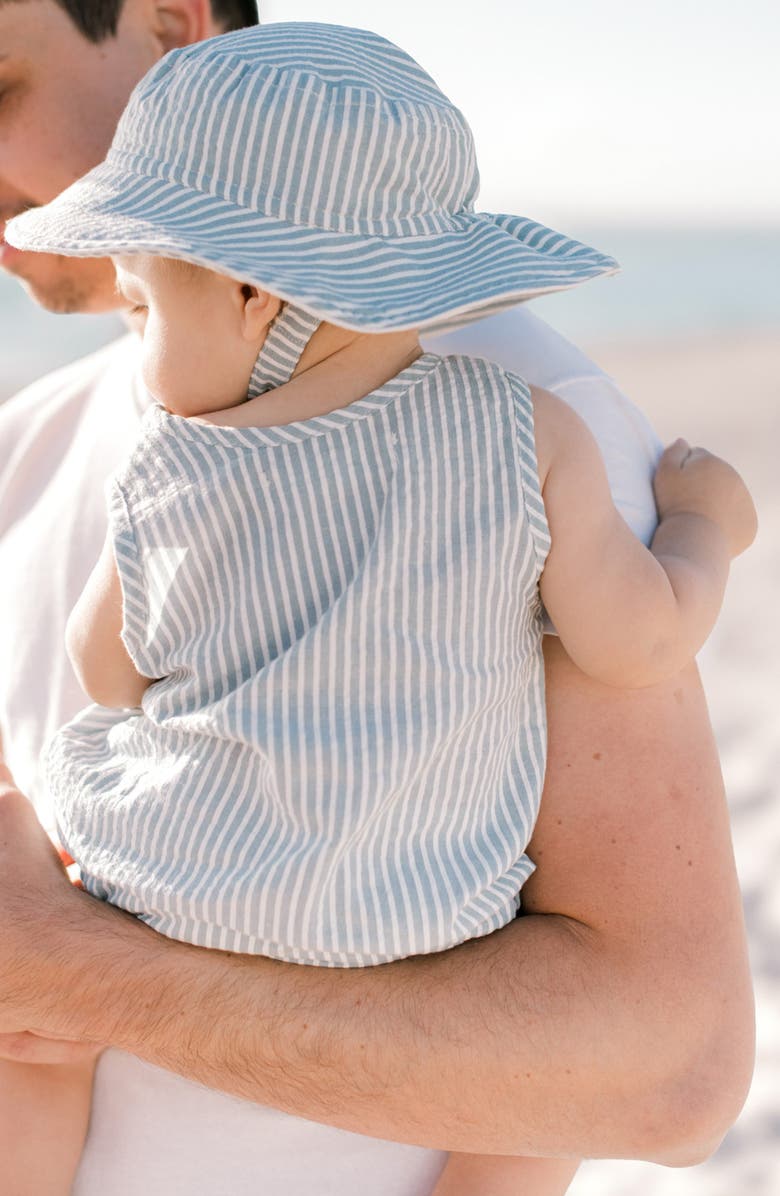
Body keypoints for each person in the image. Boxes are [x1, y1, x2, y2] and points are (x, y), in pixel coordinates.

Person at [0, 4, 754, 1196]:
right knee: (519, 1139)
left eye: (1, 87)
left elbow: (667, 1069)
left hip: (176, 875)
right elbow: (641, 627)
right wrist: (709, 532)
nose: (139, 329)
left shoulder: (193, 458)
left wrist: (69, 967)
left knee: (32, 1051)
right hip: (419, 896)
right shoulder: (515, 435)